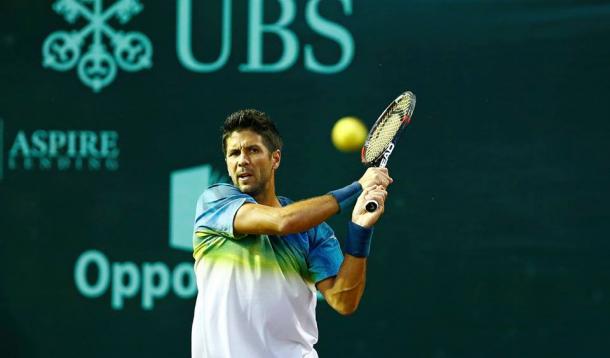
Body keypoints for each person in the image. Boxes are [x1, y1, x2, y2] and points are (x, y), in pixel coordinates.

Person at [191, 109, 392, 358]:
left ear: (275, 159)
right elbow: (283, 222)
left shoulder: (314, 231)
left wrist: (360, 230)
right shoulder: (214, 202)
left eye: (253, 150)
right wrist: (357, 187)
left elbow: (343, 301)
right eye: (234, 153)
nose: (242, 160)